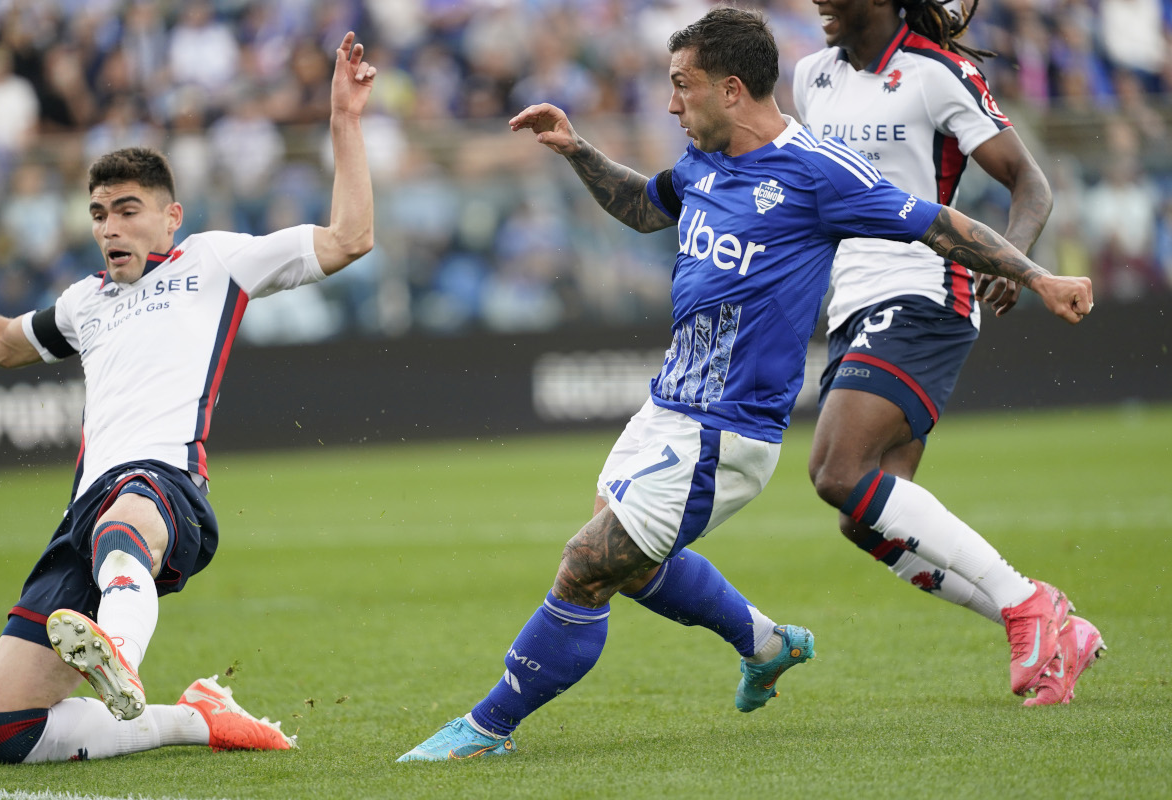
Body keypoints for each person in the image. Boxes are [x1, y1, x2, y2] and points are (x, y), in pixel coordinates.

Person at [397, 7, 1093, 762]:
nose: (670, 104)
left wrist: (1036, 274)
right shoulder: (704, 160)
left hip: (724, 432)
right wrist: (577, 151)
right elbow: (642, 206)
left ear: (731, 90)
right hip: (666, 405)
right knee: (634, 564)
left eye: (680, 87)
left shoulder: (817, 172)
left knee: (590, 562)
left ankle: (486, 727)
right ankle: (764, 644)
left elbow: (938, 225)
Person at [0, 32, 377, 764]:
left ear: (171, 217)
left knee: (124, 518)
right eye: (98, 214)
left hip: (164, 487)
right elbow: (2, 339)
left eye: (127, 209)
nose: (110, 227)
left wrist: (345, 123)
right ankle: (196, 718)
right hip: (83, 518)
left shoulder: (214, 259)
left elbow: (351, 237)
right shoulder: (84, 303)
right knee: (4, 733)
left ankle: (118, 652)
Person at [792, 0, 1104, 706]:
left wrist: (1015, 260)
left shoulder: (938, 74)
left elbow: (1031, 182)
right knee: (862, 516)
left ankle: (1028, 605)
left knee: (836, 471)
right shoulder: (810, 76)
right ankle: (1059, 628)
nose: (816, 3)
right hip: (850, 305)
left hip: (925, 292)